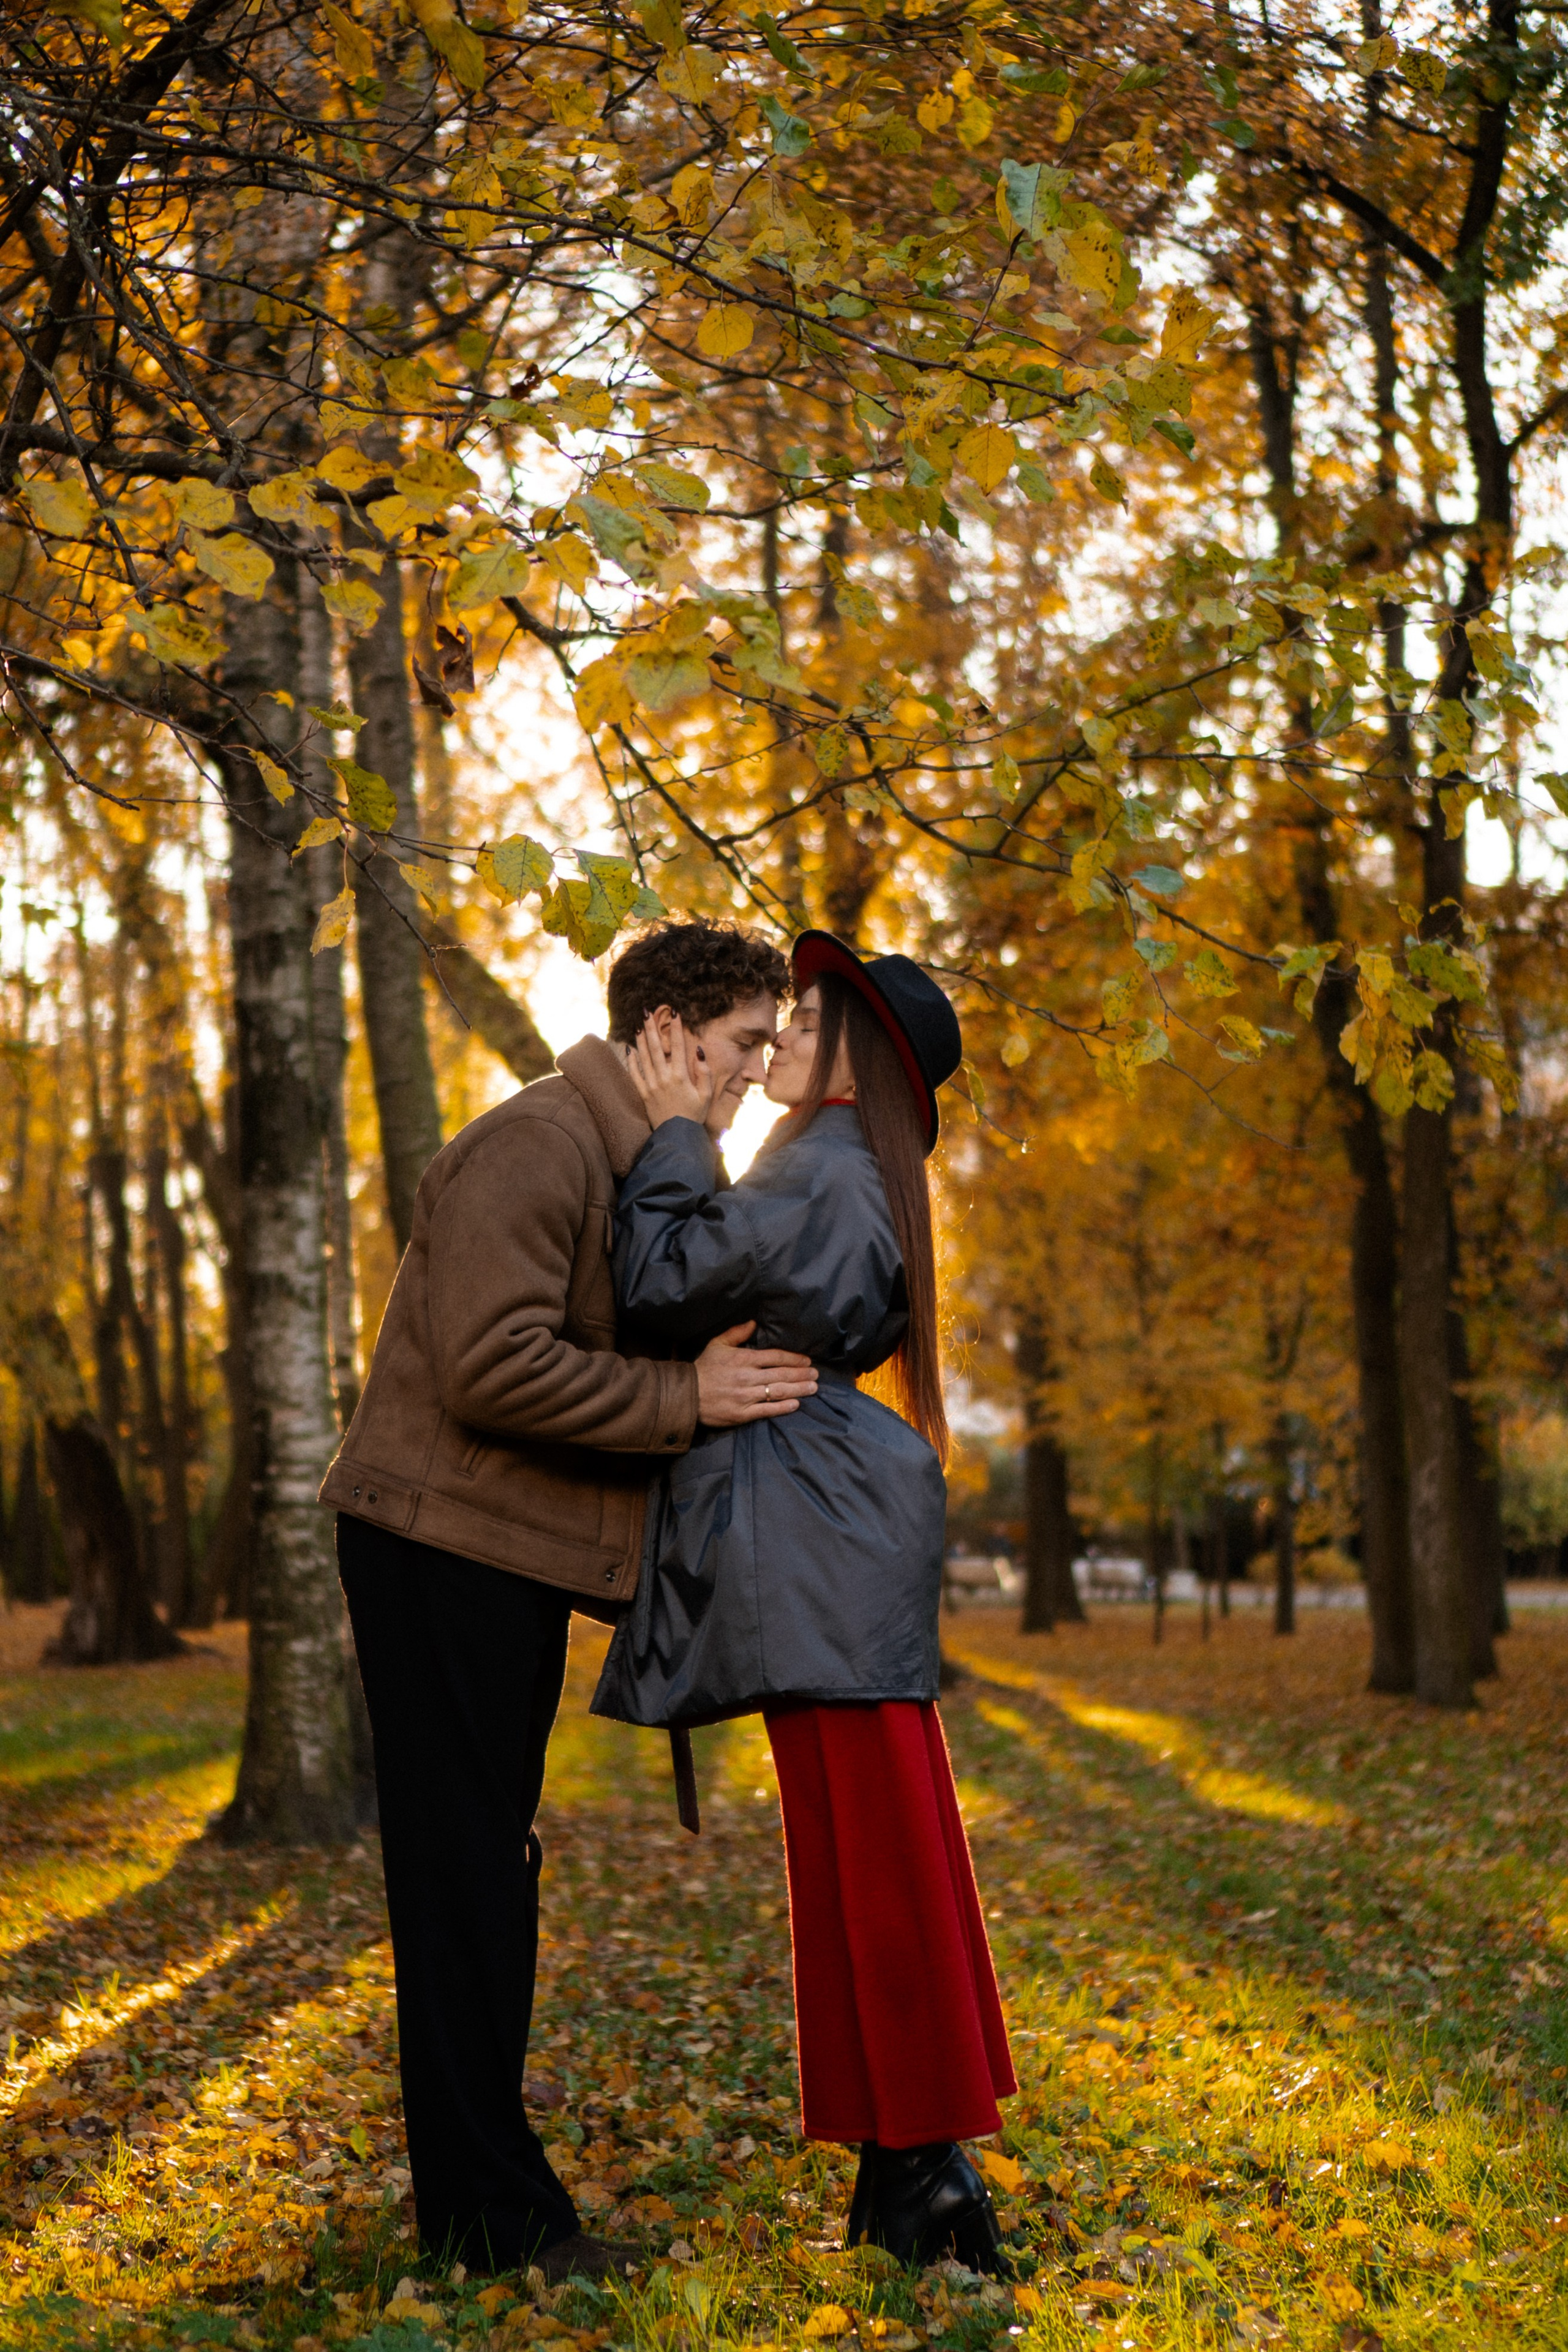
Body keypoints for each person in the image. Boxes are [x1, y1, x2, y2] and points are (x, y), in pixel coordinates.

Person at [322, 921, 820, 2280]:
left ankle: (488, 2208)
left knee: (487, 1871)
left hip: (498, 1552)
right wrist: (684, 1398)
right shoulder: (534, 1145)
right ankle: (490, 2225)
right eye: (737, 1051)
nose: (749, 1079)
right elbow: (492, 1367)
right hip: (437, 1547)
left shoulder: (627, 1157)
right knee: (464, 1880)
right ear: (663, 1031)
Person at [592, 931, 1016, 2274]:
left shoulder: (827, 1167)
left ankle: (932, 2169)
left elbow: (657, 1279)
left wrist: (670, 1130)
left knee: (877, 1855)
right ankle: (904, 2166)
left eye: (806, 1015)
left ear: (854, 1057)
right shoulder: (827, 1165)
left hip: (820, 1539)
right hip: (822, 1530)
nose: (776, 1033)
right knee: (857, 1854)